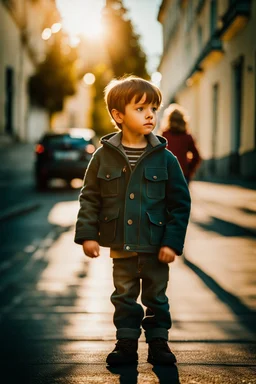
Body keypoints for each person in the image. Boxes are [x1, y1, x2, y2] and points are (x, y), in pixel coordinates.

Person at [74, 76, 191, 366]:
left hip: (155, 245)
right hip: (121, 245)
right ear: (118, 115)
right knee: (124, 295)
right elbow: (90, 196)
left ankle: (158, 343)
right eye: (140, 108)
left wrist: (172, 242)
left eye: (153, 107)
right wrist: (88, 235)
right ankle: (126, 343)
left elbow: (180, 203)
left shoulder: (166, 159)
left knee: (157, 296)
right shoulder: (103, 157)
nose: (150, 114)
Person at [159, 103, 201, 184]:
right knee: (181, 196)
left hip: (166, 173)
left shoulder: (164, 135)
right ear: (183, 120)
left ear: (168, 120)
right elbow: (197, 156)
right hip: (183, 173)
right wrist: (189, 170)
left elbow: (159, 155)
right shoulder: (187, 136)